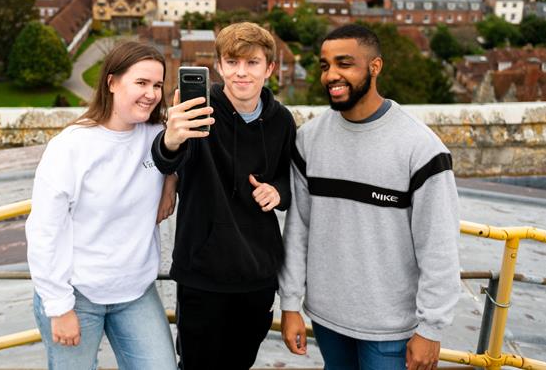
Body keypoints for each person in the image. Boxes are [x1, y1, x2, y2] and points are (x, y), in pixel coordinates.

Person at [279, 24, 460, 370]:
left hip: (391, 330)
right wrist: (290, 304)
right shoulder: (309, 139)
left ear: (374, 67)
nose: (331, 75)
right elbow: (298, 229)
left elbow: (439, 247)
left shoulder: (420, 148)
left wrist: (431, 328)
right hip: (327, 319)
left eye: (344, 64)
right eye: (324, 65)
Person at [152, 22, 296, 369]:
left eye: (252, 63)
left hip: (256, 275)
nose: (241, 73)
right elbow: (165, 157)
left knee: (239, 364)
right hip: (202, 274)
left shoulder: (282, 122)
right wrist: (171, 138)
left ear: (269, 69)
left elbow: (290, 181)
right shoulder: (197, 109)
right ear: (219, 66)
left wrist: (277, 191)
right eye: (232, 63)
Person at [26, 41, 177, 370]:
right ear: (111, 82)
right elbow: (43, 232)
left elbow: (181, 155)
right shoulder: (71, 146)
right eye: (141, 83)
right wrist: (59, 306)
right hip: (76, 294)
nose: (151, 94)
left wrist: (170, 180)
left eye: (156, 85)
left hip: (135, 291)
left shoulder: (158, 136)